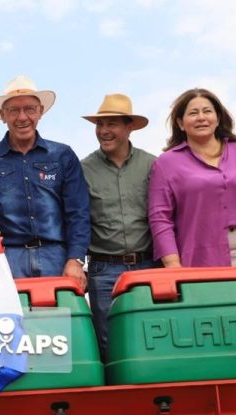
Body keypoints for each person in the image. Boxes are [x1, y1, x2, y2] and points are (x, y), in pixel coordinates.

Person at [0, 75, 90, 288]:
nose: (22, 117)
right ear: (2, 115)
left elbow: (78, 212)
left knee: (61, 321)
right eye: (14, 110)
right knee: (12, 321)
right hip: (8, 260)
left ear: (40, 112)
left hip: (57, 258)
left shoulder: (62, 155)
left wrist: (76, 259)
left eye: (30, 109)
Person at [148, 88, 236, 267]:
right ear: (180, 123)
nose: (201, 117)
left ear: (218, 118)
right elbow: (160, 218)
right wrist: (173, 265)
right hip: (198, 257)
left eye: (207, 111)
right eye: (193, 113)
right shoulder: (165, 163)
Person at [80, 94, 156, 357]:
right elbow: (77, 219)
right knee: (107, 342)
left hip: (148, 266)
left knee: (149, 334)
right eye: (100, 125)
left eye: (111, 124)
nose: (103, 131)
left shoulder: (152, 164)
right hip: (103, 269)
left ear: (129, 127)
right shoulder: (83, 169)